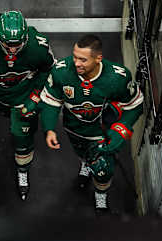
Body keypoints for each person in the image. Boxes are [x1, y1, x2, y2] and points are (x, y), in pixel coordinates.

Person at [40, 34, 143, 213]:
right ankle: (85, 164)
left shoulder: (118, 77)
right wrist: (49, 129)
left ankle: (100, 195)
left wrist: (120, 130)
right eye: (74, 56)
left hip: (100, 133)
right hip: (73, 128)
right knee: (81, 153)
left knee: (103, 169)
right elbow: (51, 101)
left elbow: (135, 105)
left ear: (98, 58)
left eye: (83, 59)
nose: (76, 63)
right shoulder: (61, 71)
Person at [0, 10, 55, 200]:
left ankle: (22, 170)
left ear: (26, 37)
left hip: (23, 98)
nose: (13, 50)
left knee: (22, 137)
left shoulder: (39, 45)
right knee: (5, 115)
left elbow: (48, 68)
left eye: (18, 44)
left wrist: (35, 96)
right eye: (8, 44)